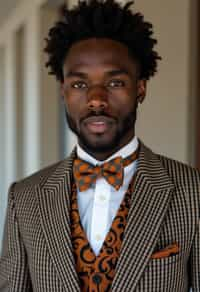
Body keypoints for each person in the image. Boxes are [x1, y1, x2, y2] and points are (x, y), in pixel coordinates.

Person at [0, 0, 199, 291]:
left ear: (140, 88)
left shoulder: (193, 192)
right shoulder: (25, 198)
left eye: (115, 83)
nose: (96, 99)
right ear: (64, 92)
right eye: (80, 85)